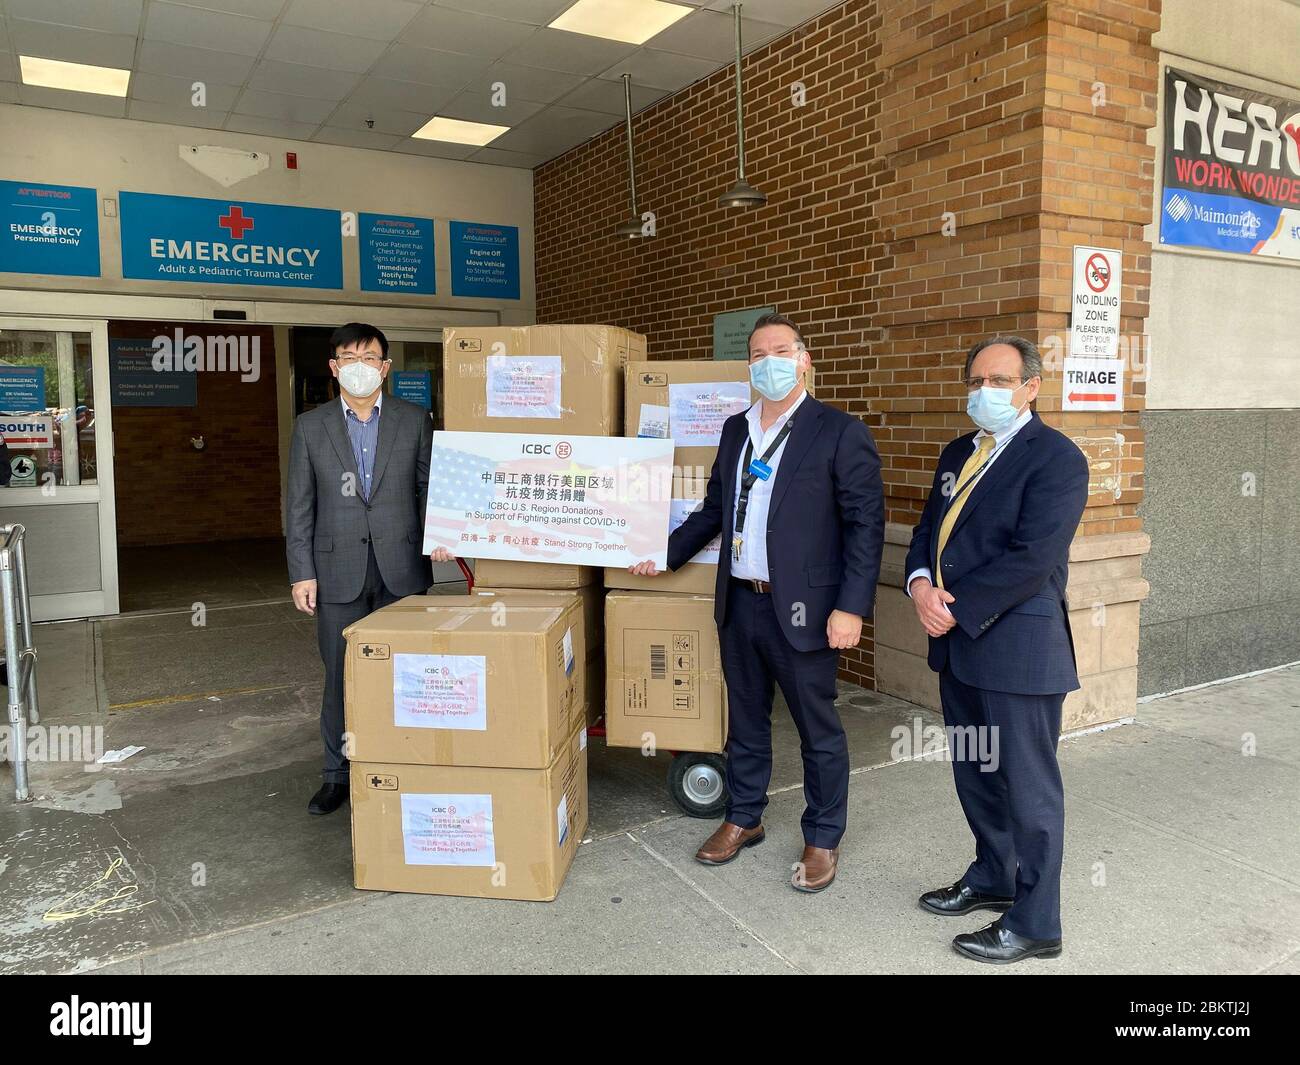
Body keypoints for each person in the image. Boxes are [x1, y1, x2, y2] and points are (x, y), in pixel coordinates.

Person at [629, 313, 884, 892]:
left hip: (807, 610)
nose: (767, 362)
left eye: (780, 351)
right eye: (757, 354)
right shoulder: (735, 430)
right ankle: (744, 817)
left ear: (804, 359)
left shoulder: (839, 431)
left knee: (816, 727)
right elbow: (715, 511)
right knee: (745, 721)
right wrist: (660, 554)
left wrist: (851, 607)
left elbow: (866, 525)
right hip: (741, 602)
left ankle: (822, 837)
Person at [905, 335, 1088, 964]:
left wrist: (951, 607)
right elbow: (929, 530)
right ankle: (993, 875)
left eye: (1001, 380)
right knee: (976, 772)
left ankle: (1036, 922)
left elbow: (1033, 559)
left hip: (1017, 650)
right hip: (960, 649)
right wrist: (920, 584)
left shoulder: (1056, 459)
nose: (985, 391)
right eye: (977, 379)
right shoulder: (960, 451)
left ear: (1031, 387)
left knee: (1027, 787)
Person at [286, 323, 433, 815]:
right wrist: (301, 572)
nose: (360, 366)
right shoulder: (312, 426)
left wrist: (444, 535)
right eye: (349, 357)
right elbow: (299, 506)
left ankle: (400, 765)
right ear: (334, 367)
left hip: (402, 568)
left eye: (370, 358)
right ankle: (337, 774)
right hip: (336, 571)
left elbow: (428, 489)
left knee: (404, 674)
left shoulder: (414, 420)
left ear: (385, 368)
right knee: (340, 675)